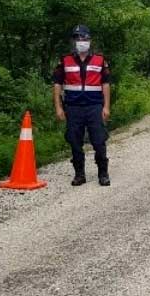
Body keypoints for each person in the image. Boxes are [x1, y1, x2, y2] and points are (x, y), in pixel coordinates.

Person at [52, 25, 113, 186]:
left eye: (84, 38)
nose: (81, 41)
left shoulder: (100, 60)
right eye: (78, 38)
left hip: (94, 106)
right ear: (74, 41)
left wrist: (106, 107)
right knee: (74, 141)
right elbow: (57, 84)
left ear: (89, 40)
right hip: (73, 107)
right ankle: (79, 174)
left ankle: (103, 173)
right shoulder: (65, 60)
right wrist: (58, 107)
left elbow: (106, 84)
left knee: (99, 141)